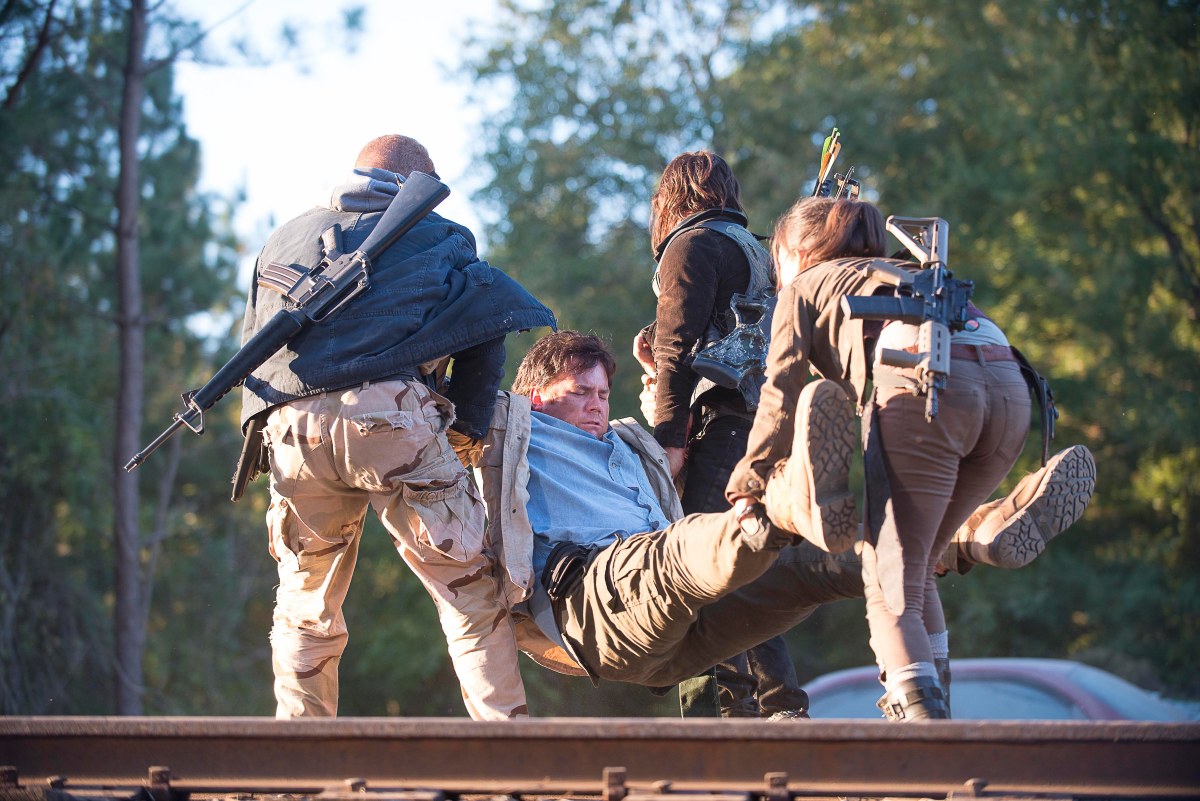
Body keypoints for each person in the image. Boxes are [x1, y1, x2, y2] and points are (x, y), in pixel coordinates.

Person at [471, 331, 1091, 708]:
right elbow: (446, 407)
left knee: (820, 563)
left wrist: (662, 376)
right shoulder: (508, 431)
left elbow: (673, 435)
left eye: (603, 393)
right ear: (536, 398)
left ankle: (969, 535)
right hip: (593, 605)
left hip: (687, 633)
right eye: (580, 392)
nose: (596, 405)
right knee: (684, 545)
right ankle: (782, 503)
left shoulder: (630, 443)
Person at [727, 196, 1096, 720]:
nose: (775, 277)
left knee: (887, 576)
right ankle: (983, 545)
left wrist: (749, 479)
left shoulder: (805, 286)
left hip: (927, 384)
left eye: (776, 263)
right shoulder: (908, 269)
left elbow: (779, 392)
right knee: (918, 563)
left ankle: (920, 726)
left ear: (798, 253)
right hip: (1010, 388)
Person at [238, 134, 556, 720]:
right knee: (469, 593)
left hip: (291, 428)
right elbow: (485, 331)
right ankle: (507, 750)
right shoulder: (439, 233)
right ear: (420, 185)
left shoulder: (284, 237)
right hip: (390, 417)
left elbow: (257, 353)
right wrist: (465, 431)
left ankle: (296, 753)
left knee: (305, 605)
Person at [639, 150, 806, 719]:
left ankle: (725, 718)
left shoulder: (691, 244)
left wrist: (668, 439)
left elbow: (677, 350)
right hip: (768, 425)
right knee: (744, 565)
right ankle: (780, 707)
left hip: (725, 425)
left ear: (669, 200)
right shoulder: (757, 252)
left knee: (701, 565)